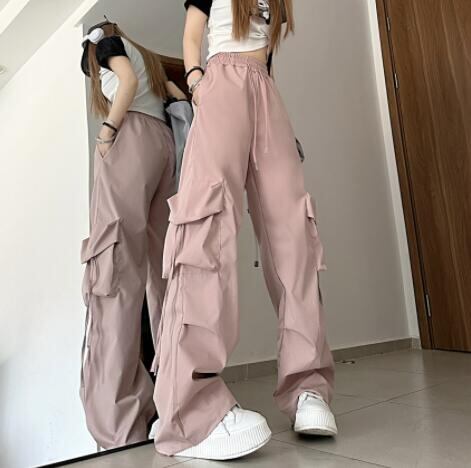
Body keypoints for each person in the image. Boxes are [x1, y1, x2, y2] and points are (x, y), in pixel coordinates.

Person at [152, 0, 337, 460]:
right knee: (207, 223)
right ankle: (189, 411)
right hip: (221, 81)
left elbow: (266, 56)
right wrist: (198, 82)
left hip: (265, 92)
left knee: (293, 232)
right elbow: (192, 34)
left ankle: (307, 385)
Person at [79, 20, 185, 449]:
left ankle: (119, 426)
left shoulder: (108, 45)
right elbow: (176, 96)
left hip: (132, 140)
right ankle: (176, 402)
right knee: (163, 274)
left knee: (114, 272)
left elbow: (124, 82)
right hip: (164, 146)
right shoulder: (152, 62)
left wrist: (107, 133)